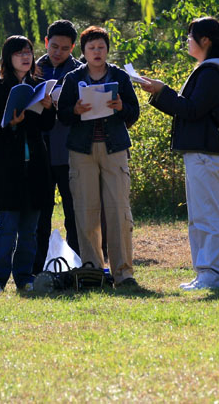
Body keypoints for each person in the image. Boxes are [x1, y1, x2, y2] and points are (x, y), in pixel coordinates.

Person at [139, 16, 219, 290]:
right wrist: (160, 93)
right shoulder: (208, 70)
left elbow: (192, 109)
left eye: (191, 36)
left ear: (205, 40)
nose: (187, 41)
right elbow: (189, 108)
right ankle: (203, 271)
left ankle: (211, 275)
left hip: (206, 151)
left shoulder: (211, 72)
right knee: (198, 216)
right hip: (199, 151)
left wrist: (163, 91)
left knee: (208, 214)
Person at [57, 26, 140, 288]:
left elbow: (133, 113)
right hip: (82, 150)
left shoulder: (120, 76)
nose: (97, 52)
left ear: (107, 49)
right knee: (85, 211)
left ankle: (123, 273)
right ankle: (92, 272)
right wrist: (75, 109)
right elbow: (63, 115)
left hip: (114, 148)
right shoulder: (72, 78)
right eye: (91, 48)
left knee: (118, 211)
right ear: (83, 52)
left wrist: (120, 107)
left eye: (101, 47)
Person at [0, 36, 55, 293]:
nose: (25, 57)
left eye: (28, 53)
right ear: (8, 57)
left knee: (30, 229)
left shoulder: (39, 85)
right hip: (9, 167)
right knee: (6, 227)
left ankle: (24, 277)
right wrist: (12, 123)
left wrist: (48, 108)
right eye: (19, 53)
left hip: (36, 164)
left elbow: (47, 126)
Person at [33, 19, 82, 274]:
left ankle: (76, 266)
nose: (58, 52)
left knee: (73, 213)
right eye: (54, 46)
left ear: (72, 47)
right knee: (40, 214)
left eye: (64, 48)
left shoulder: (80, 72)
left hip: (69, 150)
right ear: (45, 42)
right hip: (39, 150)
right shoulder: (32, 68)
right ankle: (37, 267)